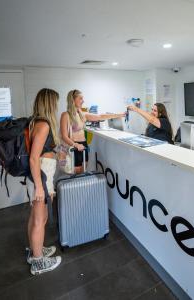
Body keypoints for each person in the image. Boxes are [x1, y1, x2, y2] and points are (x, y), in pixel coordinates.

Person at [27, 88, 62, 275]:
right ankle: (38, 262)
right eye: (55, 102)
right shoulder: (44, 124)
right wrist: (40, 187)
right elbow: (33, 158)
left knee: (36, 217)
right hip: (41, 174)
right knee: (40, 219)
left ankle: (35, 250)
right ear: (49, 103)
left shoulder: (36, 122)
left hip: (40, 173)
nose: (56, 106)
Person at [60, 89, 125, 173]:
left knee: (83, 171)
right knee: (75, 172)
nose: (83, 101)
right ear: (73, 99)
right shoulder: (65, 115)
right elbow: (64, 136)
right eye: (80, 98)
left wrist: (119, 115)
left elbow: (100, 116)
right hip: (73, 145)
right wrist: (76, 145)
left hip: (83, 145)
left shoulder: (82, 114)